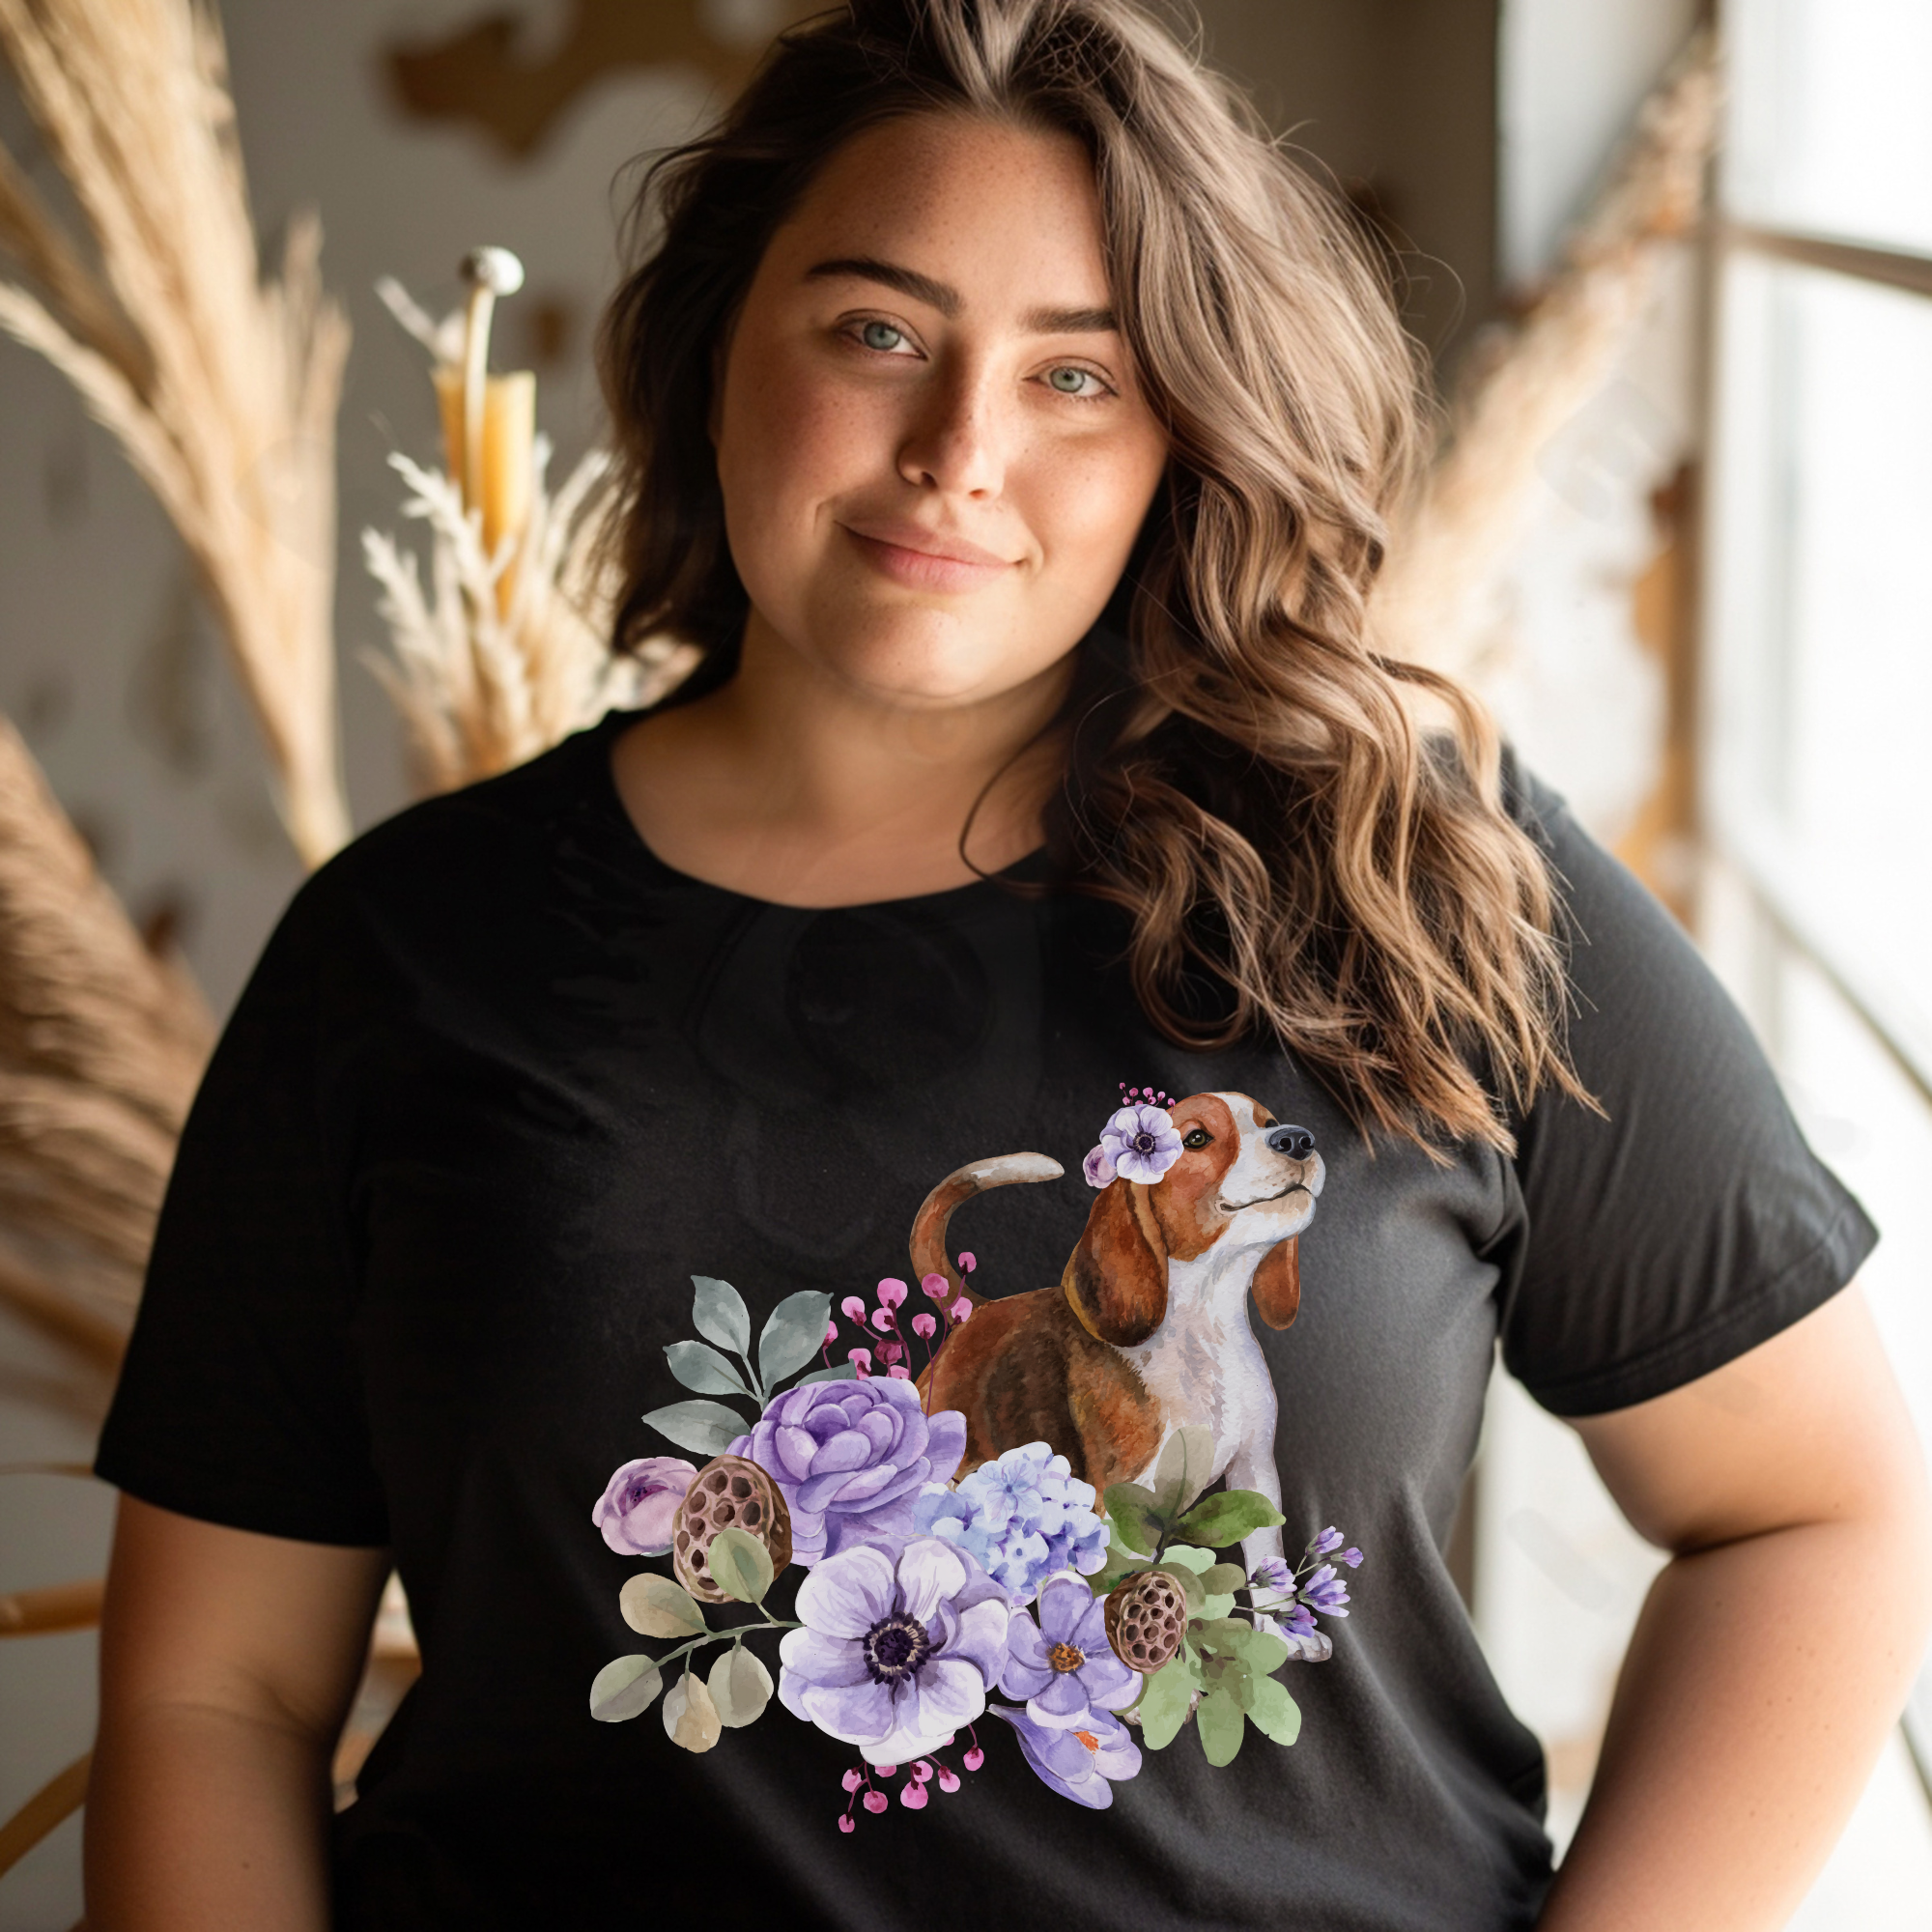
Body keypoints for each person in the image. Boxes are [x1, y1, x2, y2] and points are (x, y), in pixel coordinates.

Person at [83, 2, 1931, 1927]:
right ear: (721, 343)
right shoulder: (406, 949)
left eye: (1076, 376)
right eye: (876, 330)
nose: (957, 449)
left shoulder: (1408, 873)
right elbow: (219, 1687)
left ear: (1180, 436)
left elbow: (1814, 1510)